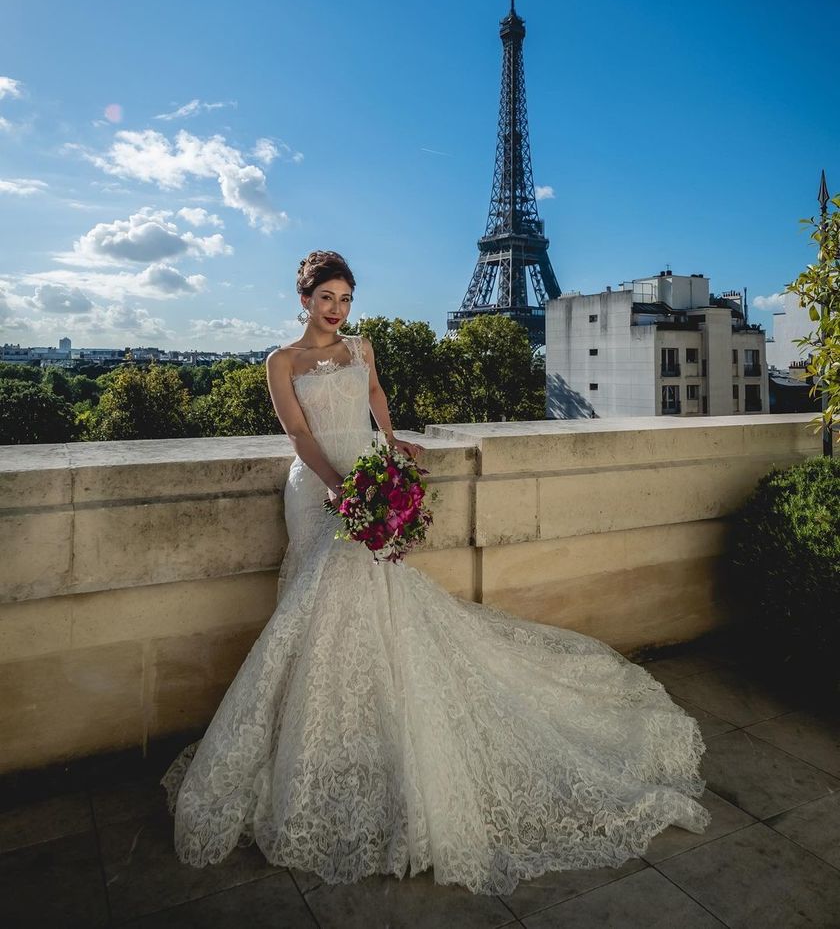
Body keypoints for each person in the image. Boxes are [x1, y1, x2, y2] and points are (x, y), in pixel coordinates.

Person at [162, 249, 710, 896]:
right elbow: (300, 435)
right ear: (304, 299)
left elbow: (373, 394)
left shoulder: (361, 347)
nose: (336, 310)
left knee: (368, 591)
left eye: (345, 299)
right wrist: (339, 486)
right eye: (326, 298)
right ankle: (317, 736)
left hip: (366, 471)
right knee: (319, 596)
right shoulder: (281, 361)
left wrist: (390, 444)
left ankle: (378, 722)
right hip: (317, 488)